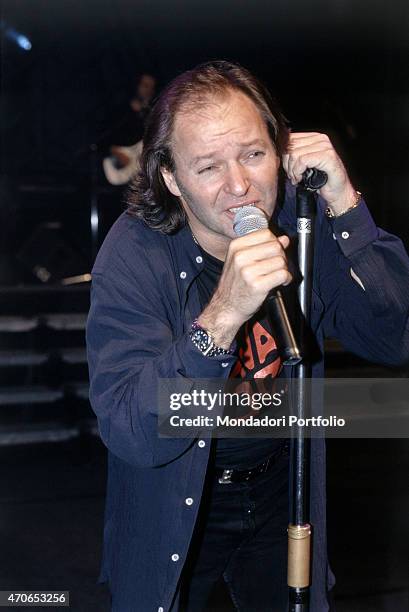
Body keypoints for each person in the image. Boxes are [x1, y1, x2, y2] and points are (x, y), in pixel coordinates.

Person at [86, 61, 409, 612]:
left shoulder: (297, 220)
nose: (240, 187)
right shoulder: (135, 250)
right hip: (183, 497)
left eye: (254, 155)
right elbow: (127, 424)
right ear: (170, 177)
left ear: (280, 150)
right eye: (208, 167)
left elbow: (392, 337)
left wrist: (346, 203)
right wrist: (222, 317)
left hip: (281, 488)